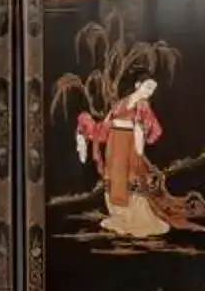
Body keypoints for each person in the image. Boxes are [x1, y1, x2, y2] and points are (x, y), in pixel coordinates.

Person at [75, 76, 198, 237]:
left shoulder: (143, 105)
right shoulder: (122, 103)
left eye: (152, 90)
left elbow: (149, 127)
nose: (149, 92)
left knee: (131, 176)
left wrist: (139, 142)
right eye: (147, 87)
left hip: (129, 144)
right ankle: (119, 216)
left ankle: (137, 218)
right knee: (115, 175)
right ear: (137, 85)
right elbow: (108, 122)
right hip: (115, 142)